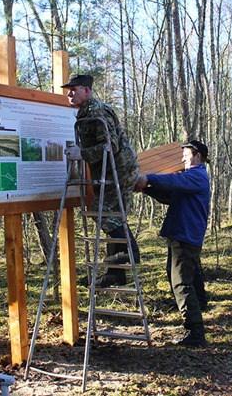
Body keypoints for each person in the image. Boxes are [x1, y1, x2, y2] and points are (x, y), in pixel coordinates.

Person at [62, 74, 140, 287]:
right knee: (112, 214)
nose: (69, 93)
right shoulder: (86, 112)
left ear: (86, 90)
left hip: (119, 170)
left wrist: (82, 153)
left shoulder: (97, 111)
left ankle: (130, 250)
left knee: (101, 211)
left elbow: (110, 146)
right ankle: (116, 273)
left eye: (74, 89)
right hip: (107, 172)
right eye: (68, 89)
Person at [135, 140, 211, 346]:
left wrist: (147, 178)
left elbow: (173, 183)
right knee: (186, 277)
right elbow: (169, 195)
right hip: (182, 236)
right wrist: (146, 188)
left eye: (185, 154)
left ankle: (195, 332)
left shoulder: (197, 176)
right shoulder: (191, 178)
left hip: (185, 238)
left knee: (180, 283)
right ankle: (199, 309)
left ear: (196, 155)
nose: (182, 158)